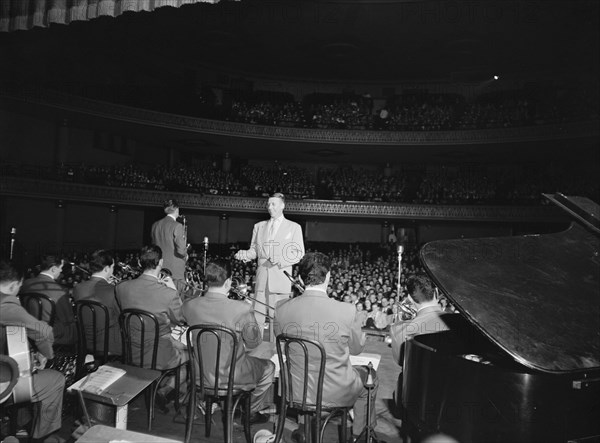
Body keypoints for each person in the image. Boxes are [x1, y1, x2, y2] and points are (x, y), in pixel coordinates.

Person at [273, 252, 378, 441]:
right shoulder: (347, 310)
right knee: (371, 377)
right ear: (328, 276)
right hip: (334, 390)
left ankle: (304, 428)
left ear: (299, 278)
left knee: (304, 369)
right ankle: (360, 436)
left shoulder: (281, 307)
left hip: (294, 389)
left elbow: (280, 343)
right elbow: (356, 350)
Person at [182, 259, 275, 423]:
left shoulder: (190, 306)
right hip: (233, 375)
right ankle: (249, 411)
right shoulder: (242, 308)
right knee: (269, 367)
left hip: (200, 374)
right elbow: (253, 342)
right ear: (228, 282)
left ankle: (215, 403)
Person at [0, 260, 65, 443]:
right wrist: (46, 354)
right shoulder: (6, 305)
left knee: (23, 370)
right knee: (55, 379)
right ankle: (43, 437)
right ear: (14, 284)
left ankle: (20, 424)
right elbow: (44, 331)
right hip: (2, 385)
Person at [115, 245, 188, 408]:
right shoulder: (168, 294)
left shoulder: (121, 288)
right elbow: (181, 318)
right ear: (161, 262)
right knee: (192, 355)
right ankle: (166, 391)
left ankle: (161, 388)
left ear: (140, 264)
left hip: (132, 352)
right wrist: (172, 289)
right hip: (159, 355)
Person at [234, 192, 304, 335]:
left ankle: (278, 348)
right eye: (268, 204)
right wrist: (245, 254)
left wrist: (281, 258)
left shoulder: (294, 227)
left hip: (280, 277)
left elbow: (299, 252)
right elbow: (254, 250)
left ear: (282, 206)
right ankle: (255, 346)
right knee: (258, 315)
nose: (269, 207)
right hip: (262, 277)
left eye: (273, 204)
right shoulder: (259, 226)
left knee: (277, 318)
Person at [390, 274, 452, 367]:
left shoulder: (398, 329)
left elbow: (400, 361)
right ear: (436, 292)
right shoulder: (461, 323)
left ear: (410, 298)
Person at [19, 255, 77, 347]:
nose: (61, 271)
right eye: (60, 268)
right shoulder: (59, 290)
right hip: (51, 334)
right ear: (53, 269)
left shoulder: (26, 284)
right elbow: (67, 319)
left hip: (29, 329)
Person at [72, 249, 121, 356]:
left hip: (84, 342)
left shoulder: (78, 288)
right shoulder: (114, 290)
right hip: (108, 345)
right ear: (107, 268)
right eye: (112, 267)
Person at [151, 199, 188, 298]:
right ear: (177, 209)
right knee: (176, 300)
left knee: (160, 298)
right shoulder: (177, 226)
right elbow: (181, 250)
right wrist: (186, 254)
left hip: (159, 268)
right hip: (175, 271)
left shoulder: (155, 225)